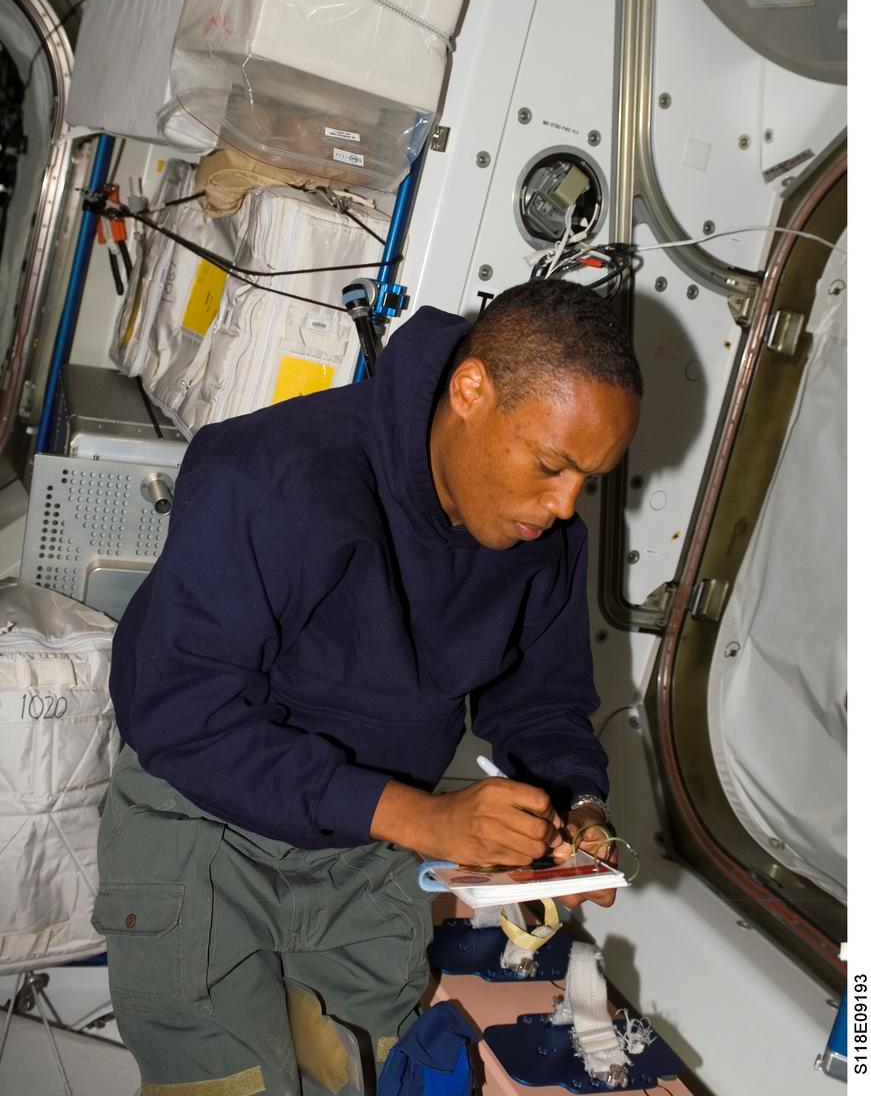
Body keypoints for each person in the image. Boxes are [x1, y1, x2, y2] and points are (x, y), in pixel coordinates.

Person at [94, 278, 642, 1096]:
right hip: (204, 822)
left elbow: (540, 700)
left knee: (363, 1075)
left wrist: (576, 808)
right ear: (470, 391)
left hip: (365, 846)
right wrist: (426, 819)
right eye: (552, 465)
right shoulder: (273, 475)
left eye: (586, 481)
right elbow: (179, 715)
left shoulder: (538, 535)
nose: (564, 506)